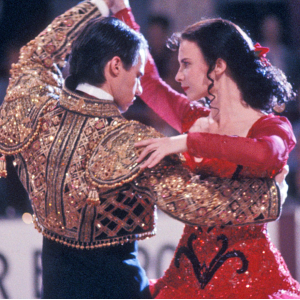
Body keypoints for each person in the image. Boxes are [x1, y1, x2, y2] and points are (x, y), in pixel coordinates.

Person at [0, 0, 281, 299]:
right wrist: (272, 195)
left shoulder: (37, 111)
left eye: (186, 64)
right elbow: (197, 202)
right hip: (121, 289)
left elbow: (36, 56)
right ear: (115, 66)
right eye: (135, 77)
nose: (138, 89)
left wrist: (99, 7)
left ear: (219, 66)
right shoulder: (131, 141)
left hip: (57, 287)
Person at [113, 2, 300, 299]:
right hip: (184, 283)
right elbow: (149, 82)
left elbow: (266, 154)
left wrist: (187, 141)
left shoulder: (271, 127)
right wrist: (122, 10)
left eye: (186, 64)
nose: (179, 75)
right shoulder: (194, 118)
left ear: (219, 65)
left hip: (251, 286)